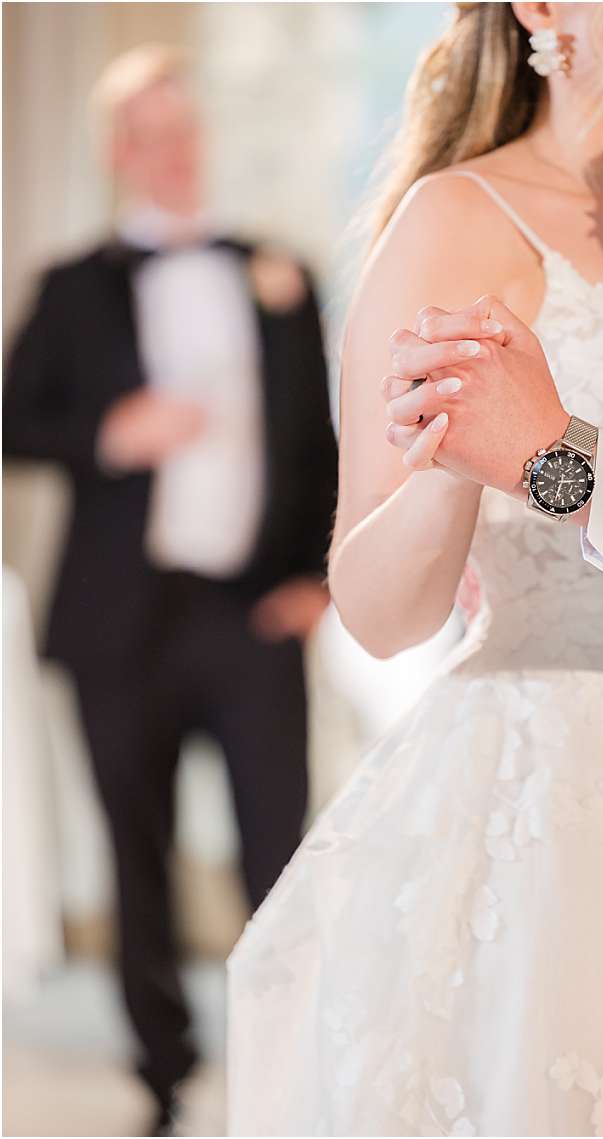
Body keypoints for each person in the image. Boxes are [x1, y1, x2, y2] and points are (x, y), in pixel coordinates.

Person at [225, 5, 603, 1134]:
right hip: (554, 798)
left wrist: (548, 449)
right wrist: (458, 465)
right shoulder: (460, 215)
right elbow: (376, 609)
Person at [3, 45, 335, 1134]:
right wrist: (108, 433)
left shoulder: (279, 272)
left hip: (254, 610)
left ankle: (286, 1061)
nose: (176, 151)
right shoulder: (70, 284)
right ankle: (161, 1073)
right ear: (119, 152)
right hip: (118, 624)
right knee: (134, 857)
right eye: (151, 134)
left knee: (277, 853)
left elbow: (318, 439)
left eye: (187, 130)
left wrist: (318, 576)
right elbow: (14, 420)